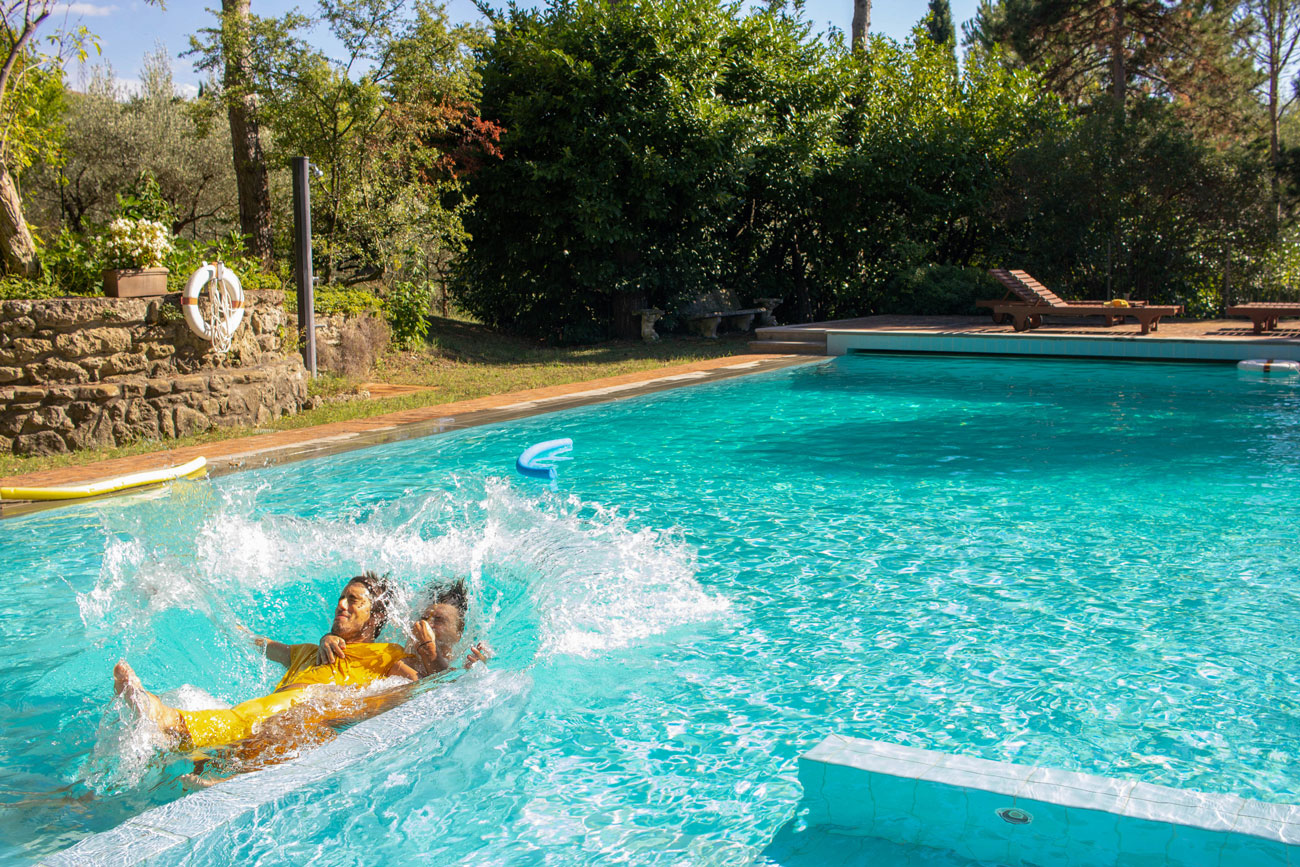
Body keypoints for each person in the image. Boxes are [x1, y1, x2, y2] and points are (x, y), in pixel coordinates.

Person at [112, 572, 418, 752]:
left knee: (250, 719)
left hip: (301, 712)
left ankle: (164, 718)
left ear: (375, 616)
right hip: (273, 714)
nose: (341, 605)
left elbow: (418, 683)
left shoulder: (386, 653)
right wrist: (195, 599)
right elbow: (254, 641)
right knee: (235, 729)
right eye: (342, 597)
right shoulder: (307, 651)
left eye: (354, 600)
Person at [316, 579, 489, 678]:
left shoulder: (463, 661)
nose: (427, 625)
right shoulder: (399, 652)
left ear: (459, 632)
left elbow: (444, 690)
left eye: (439, 620)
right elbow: (362, 647)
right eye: (423, 618)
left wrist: (475, 673)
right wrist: (331, 637)